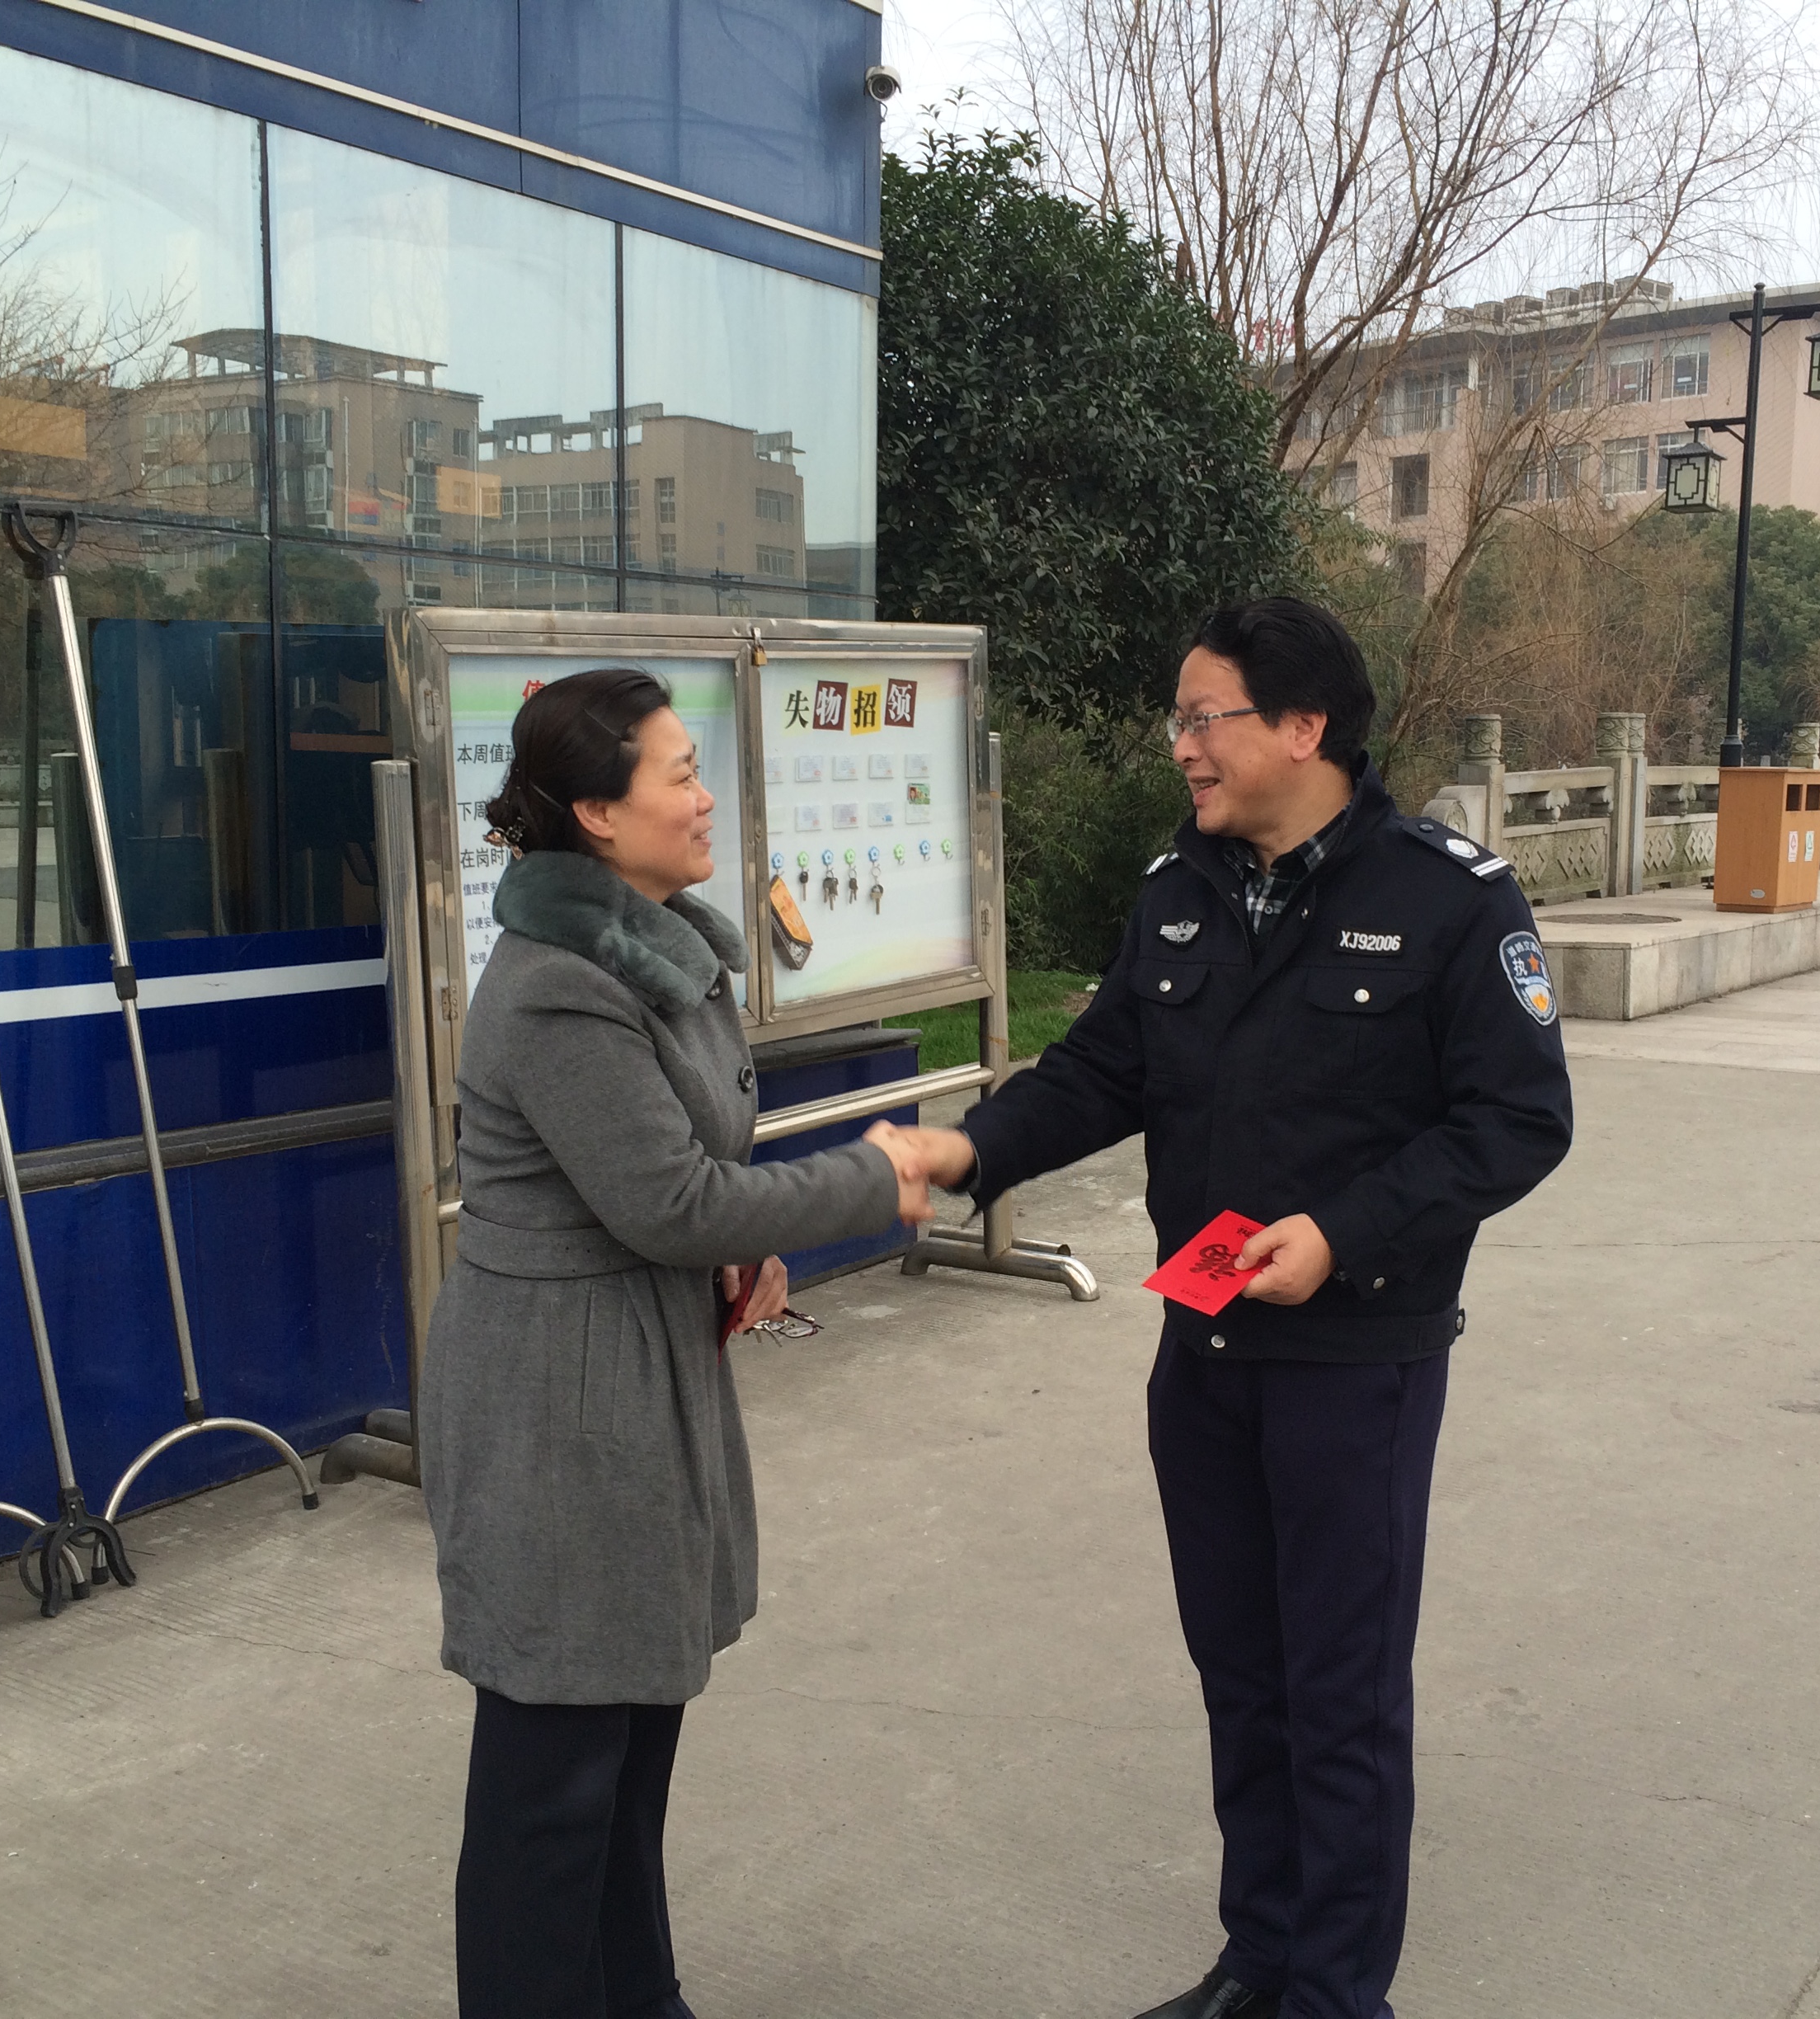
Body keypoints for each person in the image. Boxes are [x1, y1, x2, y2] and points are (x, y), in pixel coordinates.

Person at [888, 598, 1573, 2019]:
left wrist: (1344, 1233)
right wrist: (968, 1151)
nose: (1182, 746)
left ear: (1305, 727)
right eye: (1181, 720)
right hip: (1201, 1350)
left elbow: (1516, 1121)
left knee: (1341, 1695)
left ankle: (1334, 1996)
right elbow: (1102, 1071)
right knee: (1244, 1680)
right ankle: (1259, 1963)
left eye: (1207, 718)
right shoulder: (1181, 889)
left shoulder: (1451, 900)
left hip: (1355, 1363)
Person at [420, 667, 934, 2019]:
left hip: (632, 1367)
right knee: (554, 1772)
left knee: (631, 1738)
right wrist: (875, 1177)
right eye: (680, 773)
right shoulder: (556, 987)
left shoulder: (654, 947)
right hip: (557, 1395)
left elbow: (677, 1181)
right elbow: (670, 1202)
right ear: (598, 812)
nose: (707, 798)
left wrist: (740, 1248)